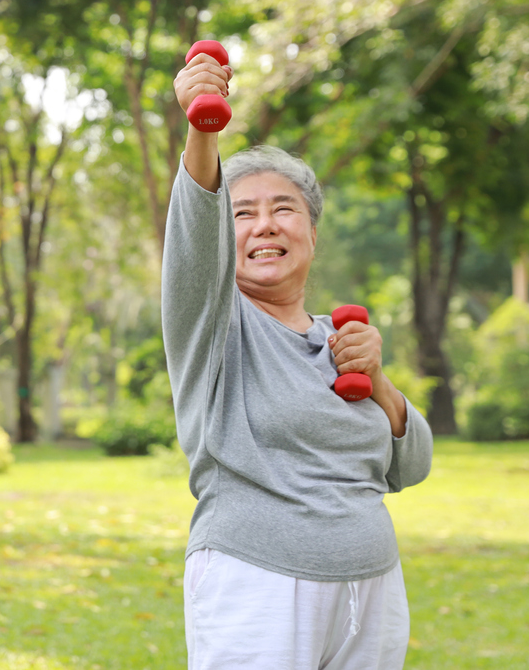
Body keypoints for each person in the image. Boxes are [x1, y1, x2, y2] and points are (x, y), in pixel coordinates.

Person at [163, 49, 433, 669]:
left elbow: (409, 467)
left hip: (373, 588)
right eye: (243, 213)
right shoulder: (212, 322)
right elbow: (194, 232)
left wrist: (383, 383)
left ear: (312, 232)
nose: (264, 225)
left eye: (283, 209)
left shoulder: (338, 338)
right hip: (259, 581)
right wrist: (201, 133)